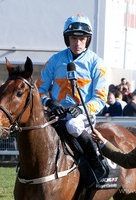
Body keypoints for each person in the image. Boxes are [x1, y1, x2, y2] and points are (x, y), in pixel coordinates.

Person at [36, 14, 108, 186]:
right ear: (67, 39)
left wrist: (81, 109)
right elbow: (39, 89)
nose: (77, 43)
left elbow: (100, 98)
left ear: (87, 40)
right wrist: (49, 102)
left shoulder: (96, 63)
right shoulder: (54, 60)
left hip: (83, 115)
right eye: (73, 38)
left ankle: (96, 163)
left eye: (82, 39)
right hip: (55, 113)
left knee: (73, 125)